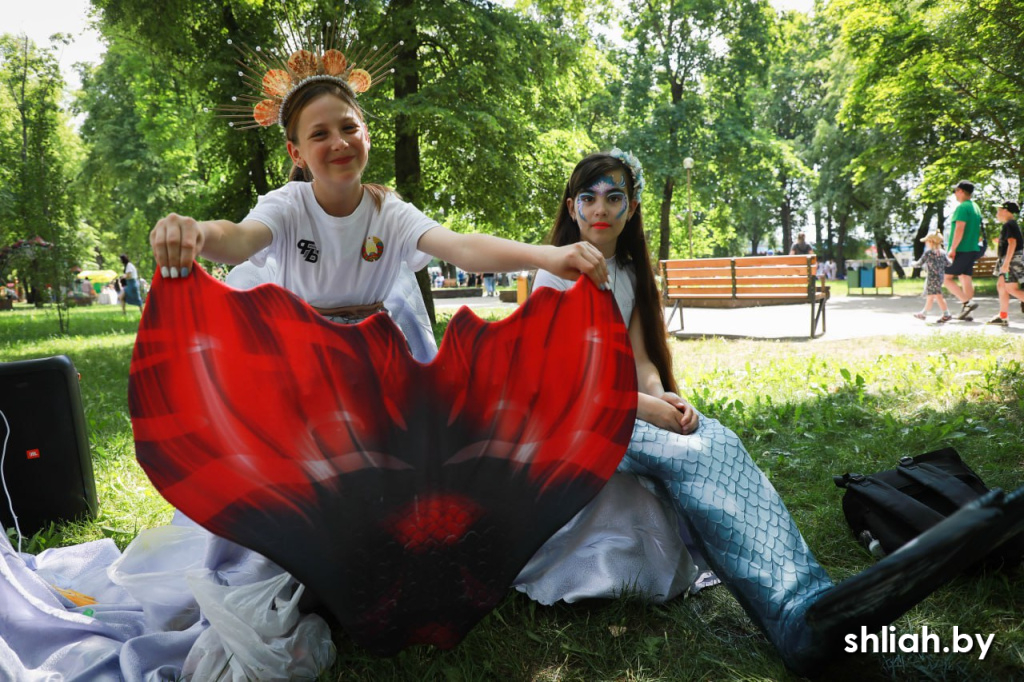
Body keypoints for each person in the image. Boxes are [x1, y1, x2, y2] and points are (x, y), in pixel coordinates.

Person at [515, 150, 1024, 676]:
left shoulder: (624, 270)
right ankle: (795, 620)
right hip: (575, 425)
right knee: (694, 457)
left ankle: (812, 600)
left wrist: (663, 395)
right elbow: (563, 386)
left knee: (719, 442)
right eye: (589, 197)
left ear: (633, 206)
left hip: (628, 410)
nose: (601, 208)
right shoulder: (556, 279)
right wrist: (646, 408)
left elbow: (641, 356)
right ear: (572, 208)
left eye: (614, 196)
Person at [944, 180, 984, 319]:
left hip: (962, 248)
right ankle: (968, 313)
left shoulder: (962, 208)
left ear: (961, 191)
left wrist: (952, 249)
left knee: (946, 278)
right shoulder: (975, 207)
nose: (954, 194)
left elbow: (959, 229)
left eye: (956, 191)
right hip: (972, 248)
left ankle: (967, 303)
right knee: (965, 277)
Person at [986, 201, 1024, 326]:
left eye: (998, 210)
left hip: (1011, 260)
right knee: (1001, 286)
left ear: (1005, 211)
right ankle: (1003, 316)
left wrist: (1006, 263)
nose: (997, 213)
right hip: (1009, 258)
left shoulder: (1009, 224)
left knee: (1010, 288)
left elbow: (1013, 243)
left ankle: (1003, 316)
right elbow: (1011, 242)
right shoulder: (1011, 225)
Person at [911, 232, 952, 323]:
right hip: (940, 277)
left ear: (931, 242)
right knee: (933, 296)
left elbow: (919, 263)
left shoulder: (928, 253)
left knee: (936, 296)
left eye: (926, 241)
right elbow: (949, 263)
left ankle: (946, 314)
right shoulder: (942, 253)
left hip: (932, 277)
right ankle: (924, 313)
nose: (926, 243)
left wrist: (912, 263)